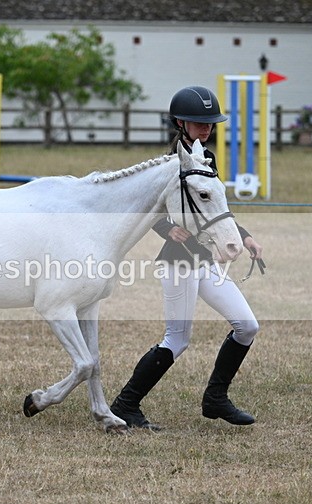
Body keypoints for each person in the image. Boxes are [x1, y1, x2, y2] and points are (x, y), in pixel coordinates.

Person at [110, 86, 264, 431]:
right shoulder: (168, 165)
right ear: (180, 122)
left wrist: (243, 234)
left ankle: (216, 398)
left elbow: (213, 210)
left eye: (210, 122)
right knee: (177, 339)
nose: (206, 128)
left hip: (205, 259)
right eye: (198, 122)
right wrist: (166, 228)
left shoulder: (205, 158)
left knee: (247, 325)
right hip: (179, 261)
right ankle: (126, 404)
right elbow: (142, 207)